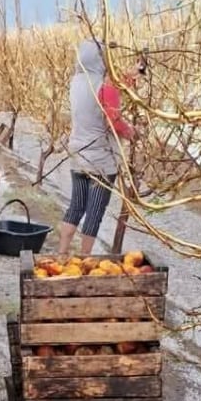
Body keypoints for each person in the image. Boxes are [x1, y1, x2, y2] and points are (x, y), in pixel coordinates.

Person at [57, 39, 139, 256]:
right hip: (101, 160)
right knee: (94, 212)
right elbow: (114, 119)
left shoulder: (76, 82)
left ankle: (61, 253)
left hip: (79, 155)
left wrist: (133, 74)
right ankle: (84, 258)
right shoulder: (105, 84)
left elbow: (111, 90)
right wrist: (132, 133)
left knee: (76, 207)